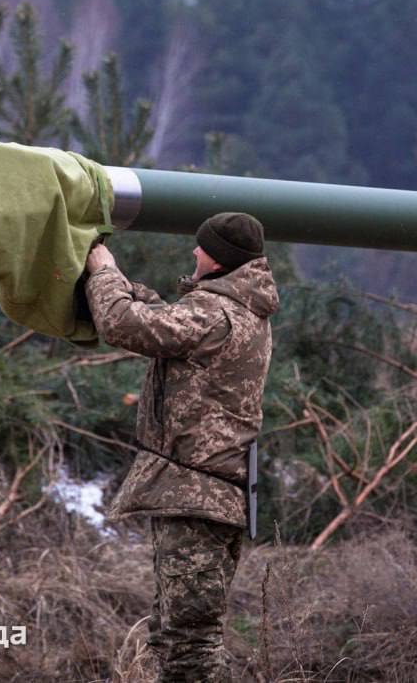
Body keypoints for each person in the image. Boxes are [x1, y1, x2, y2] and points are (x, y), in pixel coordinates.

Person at [84, 212, 279, 683]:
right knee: (176, 637)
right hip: (201, 495)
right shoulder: (235, 308)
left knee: (188, 646)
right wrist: (132, 289)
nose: (194, 252)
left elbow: (122, 325)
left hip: (199, 497)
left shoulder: (217, 312)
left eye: (202, 248)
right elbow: (162, 322)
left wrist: (103, 270)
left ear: (219, 261)